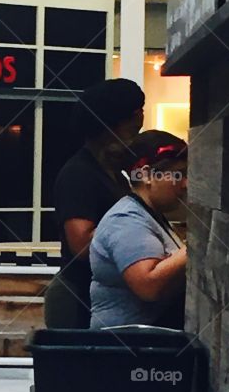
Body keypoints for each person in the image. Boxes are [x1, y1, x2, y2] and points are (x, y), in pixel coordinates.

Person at [45, 78, 145, 329]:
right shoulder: (79, 174)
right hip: (79, 300)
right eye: (132, 130)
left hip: (95, 296)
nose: (134, 139)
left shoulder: (111, 173)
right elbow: (81, 245)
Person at [89, 131, 188, 330]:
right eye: (179, 174)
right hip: (123, 350)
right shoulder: (126, 220)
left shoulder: (150, 215)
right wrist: (196, 245)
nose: (185, 184)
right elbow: (148, 286)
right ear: (146, 175)